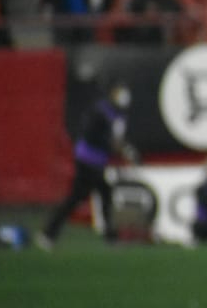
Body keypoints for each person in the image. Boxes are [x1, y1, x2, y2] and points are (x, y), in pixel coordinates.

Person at [37, 81, 140, 249]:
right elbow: (93, 136)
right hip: (87, 159)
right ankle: (49, 233)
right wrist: (112, 146)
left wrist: (126, 149)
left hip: (98, 161)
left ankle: (109, 236)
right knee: (79, 196)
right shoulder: (100, 111)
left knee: (104, 193)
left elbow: (117, 139)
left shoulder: (118, 115)